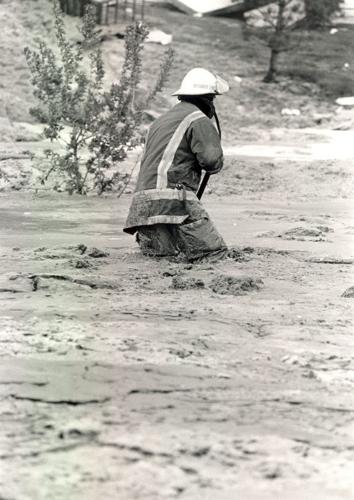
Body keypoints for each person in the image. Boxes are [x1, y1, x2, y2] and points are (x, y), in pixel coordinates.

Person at [123, 67, 229, 261]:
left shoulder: (159, 122)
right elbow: (212, 162)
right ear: (207, 98)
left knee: (159, 260)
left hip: (142, 206)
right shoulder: (198, 119)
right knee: (213, 255)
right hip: (175, 200)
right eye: (213, 99)